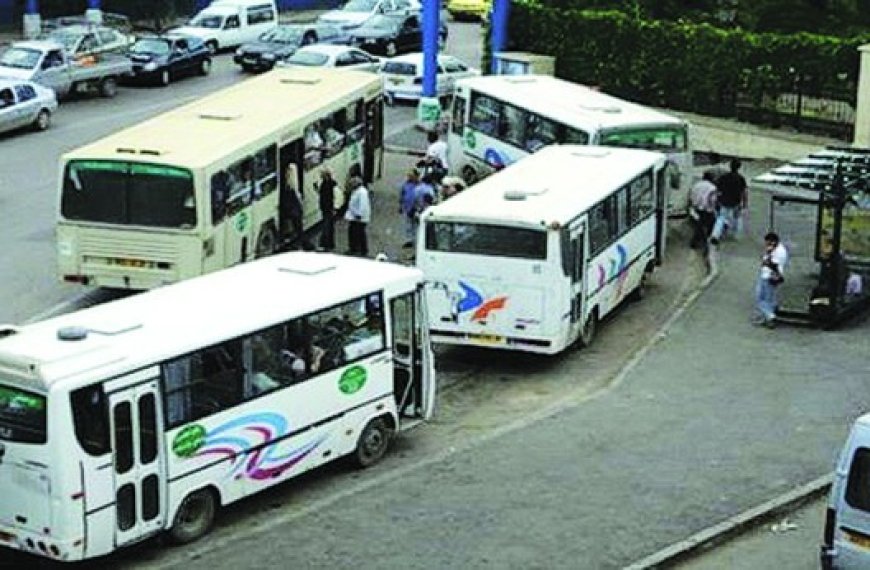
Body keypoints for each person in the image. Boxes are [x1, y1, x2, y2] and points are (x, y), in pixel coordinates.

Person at [754, 231, 788, 328]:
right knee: (768, 299)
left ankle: (770, 316)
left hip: (769, 277)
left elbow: (774, 265)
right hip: (766, 275)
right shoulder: (775, 248)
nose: (766, 245)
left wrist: (766, 260)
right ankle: (767, 318)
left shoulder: (779, 251)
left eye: (767, 242)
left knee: (761, 299)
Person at [711, 158, 748, 244]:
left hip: (724, 200)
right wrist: (745, 203)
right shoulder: (741, 178)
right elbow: (744, 192)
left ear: (730, 166)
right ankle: (737, 235)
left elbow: (717, 190)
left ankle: (715, 235)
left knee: (721, 218)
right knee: (737, 218)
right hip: (736, 201)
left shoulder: (724, 177)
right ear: (739, 167)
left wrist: (717, 200)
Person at [689, 171, 718, 249]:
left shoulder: (696, 185)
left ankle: (697, 242)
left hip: (695, 208)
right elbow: (712, 200)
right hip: (706, 209)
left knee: (699, 226)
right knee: (711, 225)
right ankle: (705, 241)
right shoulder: (712, 187)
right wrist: (713, 208)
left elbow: (691, 196)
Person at [345, 176, 371, 256]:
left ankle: (358, 249)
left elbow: (362, 205)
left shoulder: (361, 192)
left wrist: (359, 214)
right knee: (357, 233)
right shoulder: (358, 191)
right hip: (355, 216)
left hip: (358, 217)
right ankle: (358, 248)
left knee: (357, 233)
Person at [399, 168, 420, 248]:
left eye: (411, 176)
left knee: (415, 225)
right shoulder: (406, 184)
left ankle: (416, 240)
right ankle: (409, 240)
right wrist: (401, 205)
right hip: (407, 207)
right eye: (409, 176)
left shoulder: (419, 185)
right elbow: (402, 194)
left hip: (416, 208)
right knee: (408, 225)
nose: (409, 177)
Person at [318, 168, 337, 251]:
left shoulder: (326, 185)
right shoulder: (332, 184)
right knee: (330, 226)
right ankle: (330, 244)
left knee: (326, 226)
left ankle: (325, 244)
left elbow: (326, 197)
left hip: (327, 208)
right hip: (329, 208)